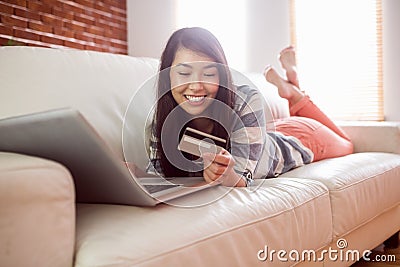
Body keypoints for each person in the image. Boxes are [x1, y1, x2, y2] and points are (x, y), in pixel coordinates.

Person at [146, 27, 353, 187]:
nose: (196, 86)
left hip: (299, 137)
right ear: (168, 76)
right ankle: (291, 86)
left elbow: (243, 178)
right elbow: (159, 173)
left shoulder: (245, 99)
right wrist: (135, 175)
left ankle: (295, 93)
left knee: (347, 145)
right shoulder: (162, 118)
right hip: (259, 132)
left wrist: (226, 175)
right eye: (183, 73)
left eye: (208, 73)